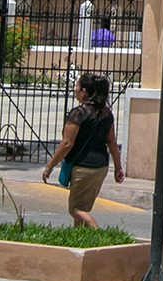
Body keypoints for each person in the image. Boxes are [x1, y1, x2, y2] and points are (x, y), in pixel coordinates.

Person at [42, 71, 124, 228]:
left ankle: (99, 237)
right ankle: (80, 240)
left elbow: (67, 143)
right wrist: (118, 168)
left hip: (82, 167)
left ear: (84, 91)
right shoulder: (106, 113)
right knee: (83, 208)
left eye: (77, 86)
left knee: (76, 209)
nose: (75, 90)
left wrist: (50, 166)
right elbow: (112, 142)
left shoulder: (78, 113)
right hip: (101, 167)